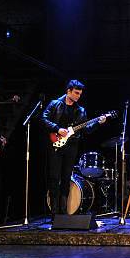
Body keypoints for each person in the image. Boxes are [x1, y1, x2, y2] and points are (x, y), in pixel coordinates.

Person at [41, 80, 106, 217]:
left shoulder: (80, 110)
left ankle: (63, 213)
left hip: (71, 146)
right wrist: (57, 128)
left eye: (80, 94)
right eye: (76, 93)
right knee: (54, 177)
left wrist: (97, 123)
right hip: (55, 144)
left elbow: (86, 130)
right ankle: (54, 213)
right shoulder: (54, 104)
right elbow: (44, 118)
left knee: (66, 178)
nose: (78, 96)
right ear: (68, 91)